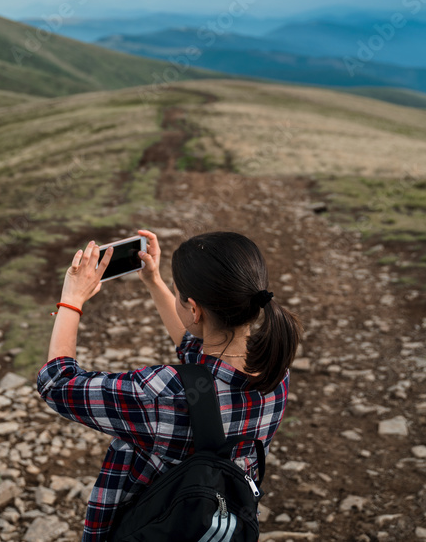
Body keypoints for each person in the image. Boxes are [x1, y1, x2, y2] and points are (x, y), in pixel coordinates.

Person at [36, 228, 303, 541]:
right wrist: (154, 281)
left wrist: (71, 300)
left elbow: (57, 383)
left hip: (151, 527)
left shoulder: (163, 392)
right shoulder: (274, 368)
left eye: (179, 295)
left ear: (193, 309)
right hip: (218, 524)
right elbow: (198, 349)